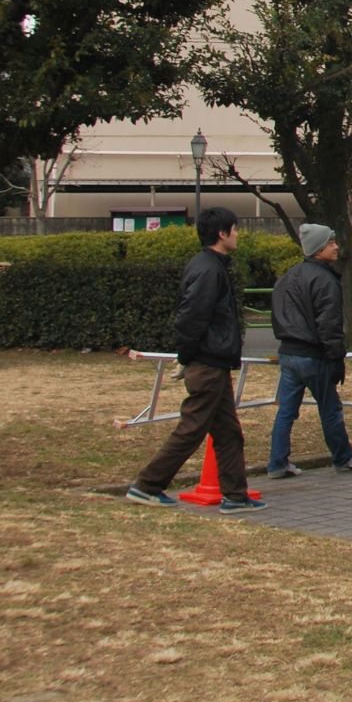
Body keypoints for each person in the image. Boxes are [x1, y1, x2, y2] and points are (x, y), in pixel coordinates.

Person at [127, 207, 264, 513]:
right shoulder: (209, 270)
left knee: (228, 432)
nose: (238, 234)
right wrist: (186, 357)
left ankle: (235, 495)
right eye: (235, 228)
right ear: (222, 233)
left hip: (212, 361)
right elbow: (191, 317)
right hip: (208, 362)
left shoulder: (210, 266)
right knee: (192, 428)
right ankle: (147, 484)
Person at [267, 223, 352, 477]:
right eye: (330, 243)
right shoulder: (325, 280)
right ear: (318, 249)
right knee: (330, 408)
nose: (336, 246)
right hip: (314, 355)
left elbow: (277, 316)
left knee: (286, 412)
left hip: (288, 352)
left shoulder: (287, 277)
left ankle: (277, 462)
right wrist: (337, 357)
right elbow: (329, 324)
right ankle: (343, 457)